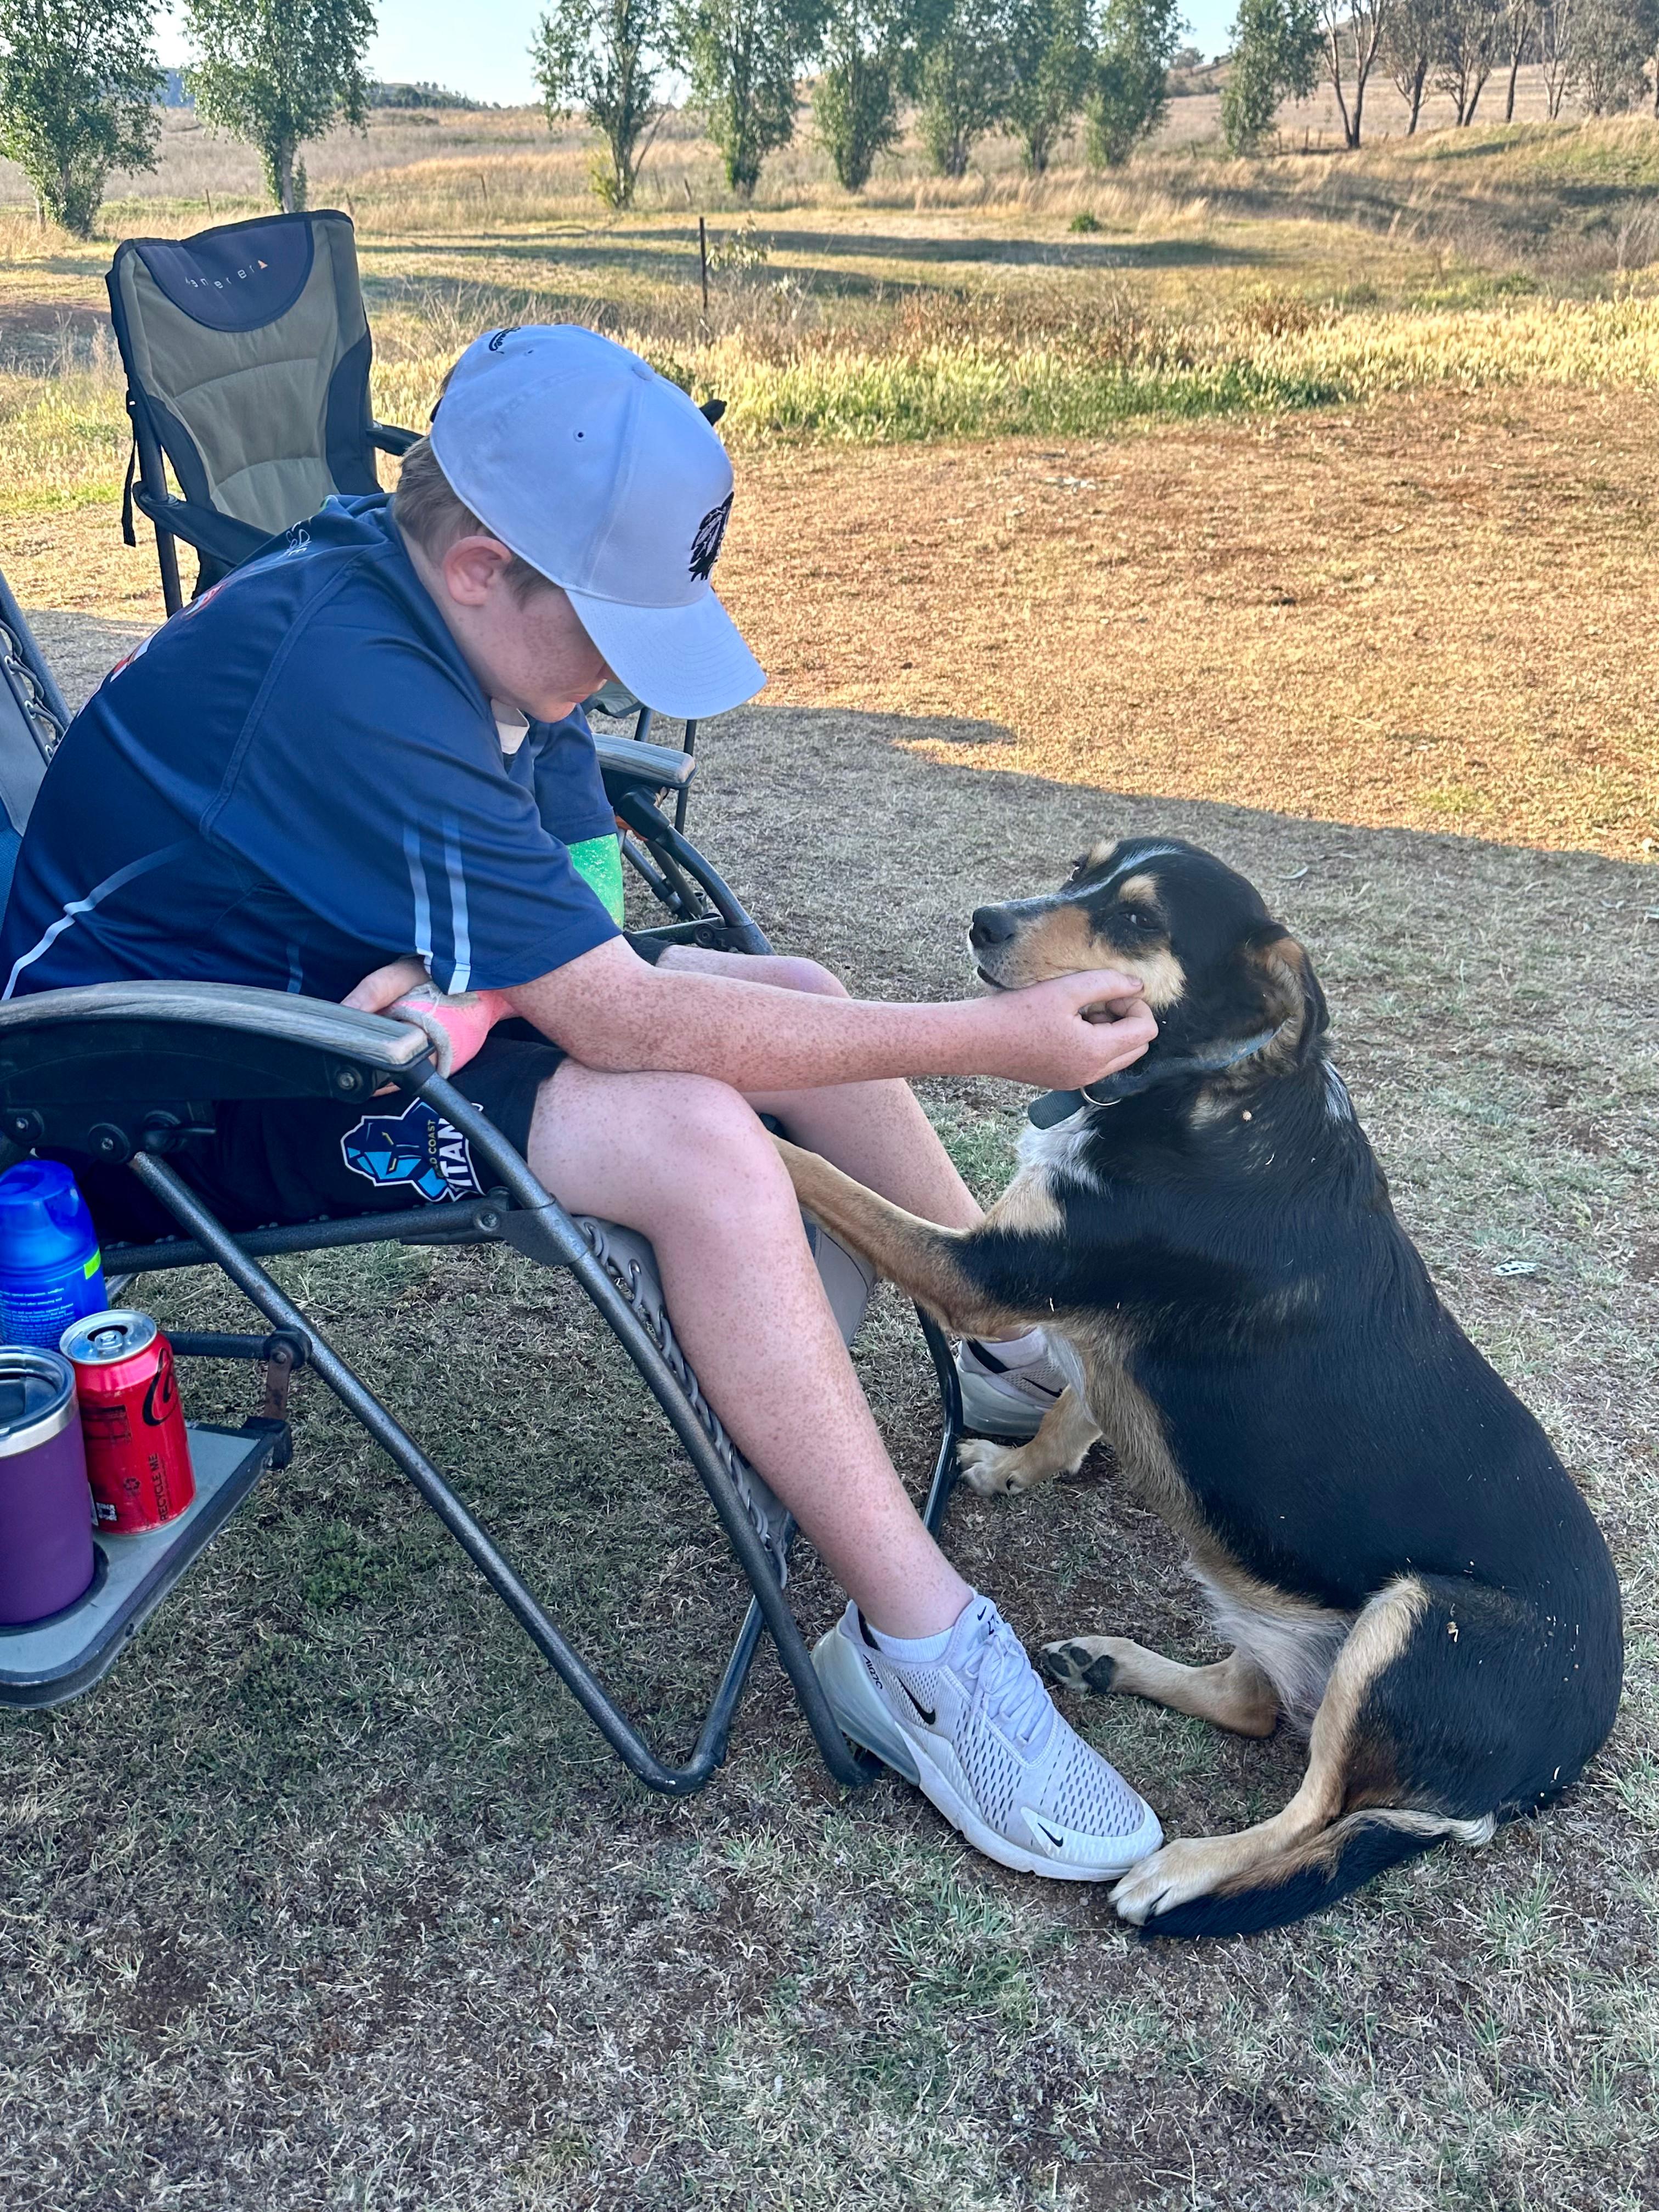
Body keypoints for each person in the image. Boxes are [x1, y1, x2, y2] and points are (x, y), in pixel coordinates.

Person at [0, 326, 1163, 1881]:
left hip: (332, 1000)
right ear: (484, 567)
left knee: (798, 992)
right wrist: (991, 1038)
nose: (617, 671)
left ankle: (1003, 1337)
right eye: (610, 629)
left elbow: (589, 902)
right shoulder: (354, 675)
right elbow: (618, 1012)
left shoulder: (461, 623)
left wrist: (485, 999)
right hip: (149, 1095)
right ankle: (918, 1653)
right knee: (699, 1139)